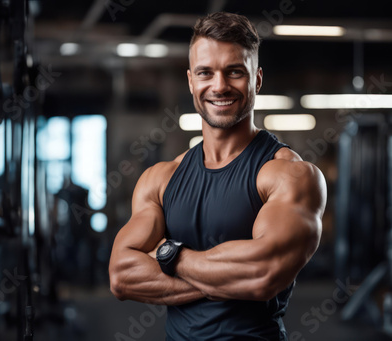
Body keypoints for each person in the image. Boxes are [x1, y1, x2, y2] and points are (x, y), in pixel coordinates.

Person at [108, 11, 327, 341]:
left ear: (257, 79)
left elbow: (260, 276)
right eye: (205, 73)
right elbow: (122, 275)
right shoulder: (161, 179)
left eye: (234, 72)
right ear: (191, 81)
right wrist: (225, 279)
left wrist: (169, 254)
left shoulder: (290, 175)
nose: (219, 85)